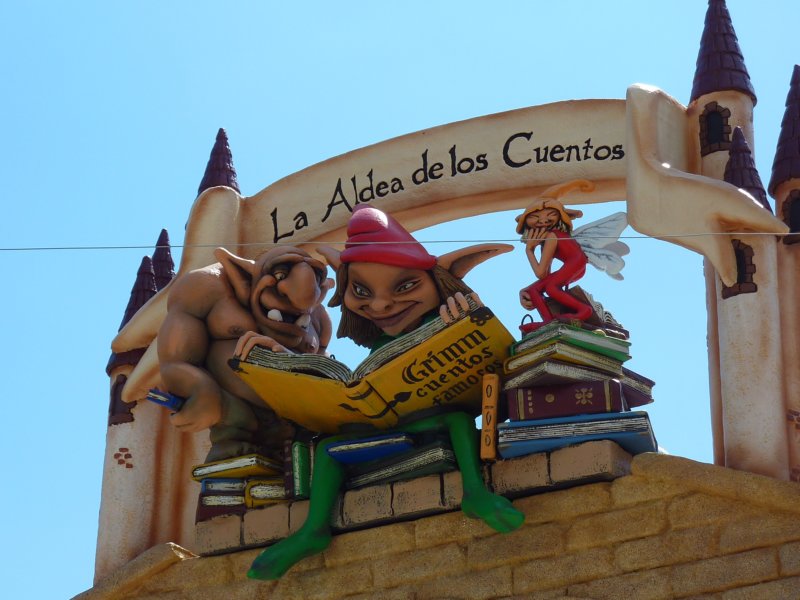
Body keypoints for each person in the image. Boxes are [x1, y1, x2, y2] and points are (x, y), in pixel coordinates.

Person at [244, 205, 523, 580]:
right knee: (327, 448)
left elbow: (496, 362)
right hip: (383, 429)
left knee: (458, 420)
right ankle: (313, 529)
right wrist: (285, 359)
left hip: (433, 424)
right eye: (361, 291)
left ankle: (475, 493)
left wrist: (470, 314)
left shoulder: (444, 319)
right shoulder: (377, 347)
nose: (379, 305)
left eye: (406, 286)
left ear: (439, 281)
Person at [516, 180, 595, 333]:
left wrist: (529, 250)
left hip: (576, 262)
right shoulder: (546, 241)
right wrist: (526, 290)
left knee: (551, 288)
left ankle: (584, 311)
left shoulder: (552, 236)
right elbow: (545, 275)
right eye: (535, 217)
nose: (543, 221)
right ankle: (548, 321)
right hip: (573, 266)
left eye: (551, 215)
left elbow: (540, 274)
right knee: (533, 290)